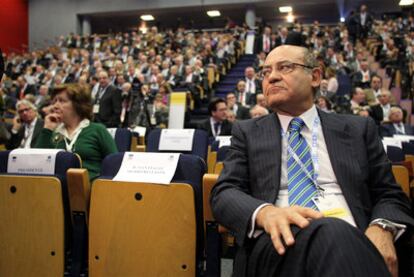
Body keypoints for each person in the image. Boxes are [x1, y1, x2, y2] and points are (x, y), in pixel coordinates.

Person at [210, 43, 413, 277]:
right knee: (332, 231)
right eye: (265, 72)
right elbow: (223, 193)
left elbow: (390, 193)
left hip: (357, 236)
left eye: (284, 67)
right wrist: (266, 213)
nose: (272, 77)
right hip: (276, 242)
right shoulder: (247, 132)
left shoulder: (358, 129)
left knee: (338, 237)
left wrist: (382, 228)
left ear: (315, 76)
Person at [35, 84, 117, 181]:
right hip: (57, 191)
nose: (55, 106)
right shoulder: (53, 133)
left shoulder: (97, 130)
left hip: (92, 191)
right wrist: (47, 129)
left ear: (77, 104)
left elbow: (114, 165)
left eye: (62, 101)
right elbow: (38, 164)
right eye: (54, 101)